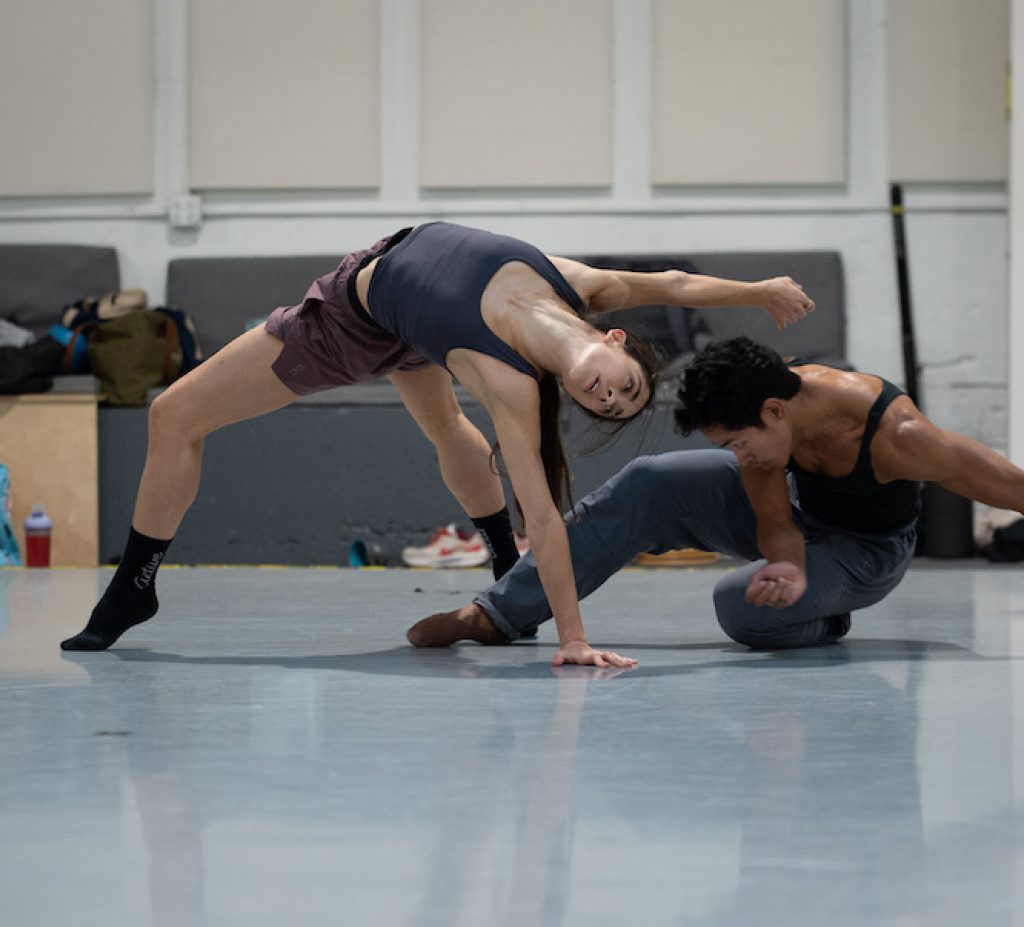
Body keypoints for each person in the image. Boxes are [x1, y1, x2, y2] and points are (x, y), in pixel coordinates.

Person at [61, 226, 813, 666]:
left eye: (614, 406)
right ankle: (497, 557)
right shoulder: (579, 283)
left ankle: (133, 585)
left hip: (351, 326)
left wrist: (575, 640)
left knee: (173, 414)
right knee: (445, 429)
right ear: (611, 339)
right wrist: (761, 289)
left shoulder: (512, 387)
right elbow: (676, 284)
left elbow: (549, 517)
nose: (610, 395)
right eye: (624, 384)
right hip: (396, 305)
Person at [408, 335, 1024, 656]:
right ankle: (496, 615)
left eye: (738, 442)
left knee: (743, 607)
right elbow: (772, 516)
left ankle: (821, 615)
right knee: (653, 481)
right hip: (800, 522)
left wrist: (795, 581)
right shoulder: (766, 414)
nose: (738, 455)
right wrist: (786, 562)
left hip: (866, 551)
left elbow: (1009, 485)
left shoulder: (897, 434)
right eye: (726, 445)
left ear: (775, 410)